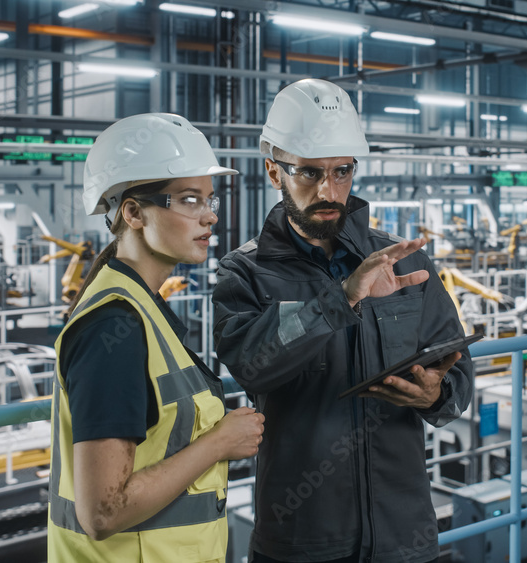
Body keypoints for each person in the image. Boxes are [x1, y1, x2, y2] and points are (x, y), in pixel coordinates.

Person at [213, 79, 475, 563]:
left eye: (342, 172)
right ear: (275, 171)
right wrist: (340, 299)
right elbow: (252, 364)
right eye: (309, 173)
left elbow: (457, 369)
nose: (328, 190)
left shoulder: (399, 260)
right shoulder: (244, 272)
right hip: (302, 540)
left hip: (405, 536)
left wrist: (435, 394)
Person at [48, 113, 265, 562]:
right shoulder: (114, 326)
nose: (209, 216)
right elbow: (103, 512)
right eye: (189, 200)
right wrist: (220, 441)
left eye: (210, 200)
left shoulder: (139, 308)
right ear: (132, 212)